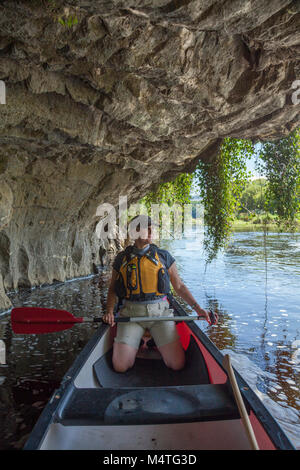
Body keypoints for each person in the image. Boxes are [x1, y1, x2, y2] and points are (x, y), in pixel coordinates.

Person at [102, 215, 217, 373]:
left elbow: (179, 286)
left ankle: (150, 341)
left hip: (160, 314)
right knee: (120, 366)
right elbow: (113, 289)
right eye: (146, 228)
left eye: (152, 228)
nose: (151, 231)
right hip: (131, 314)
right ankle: (144, 341)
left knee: (177, 364)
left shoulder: (163, 256)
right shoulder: (122, 259)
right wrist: (109, 311)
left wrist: (198, 310)